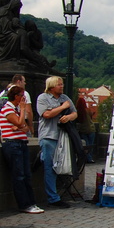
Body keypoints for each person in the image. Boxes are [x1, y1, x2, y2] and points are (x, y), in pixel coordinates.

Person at [0, 85, 42, 214]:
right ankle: (24, 204)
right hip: (12, 144)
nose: (23, 99)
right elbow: (19, 123)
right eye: (22, 96)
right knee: (19, 176)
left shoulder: (16, 110)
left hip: (21, 143)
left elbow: (25, 127)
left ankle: (31, 202)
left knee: (27, 175)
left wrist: (20, 125)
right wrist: (22, 111)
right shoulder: (8, 109)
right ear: (16, 96)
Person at [36, 76, 77, 208]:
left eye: (62, 84)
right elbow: (46, 115)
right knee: (50, 167)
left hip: (63, 136)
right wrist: (62, 108)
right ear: (52, 86)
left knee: (61, 165)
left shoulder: (65, 98)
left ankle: (55, 194)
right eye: (59, 84)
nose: (62, 86)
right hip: (49, 136)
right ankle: (53, 198)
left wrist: (69, 117)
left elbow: (75, 113)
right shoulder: (43, 98)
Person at [75, 97, 96, 163]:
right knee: (91, 145)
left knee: (86, 145)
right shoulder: (88, 110)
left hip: (83, 130)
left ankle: (87, 158)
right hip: (91, 129)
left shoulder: (77, 111)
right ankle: (90, 158)